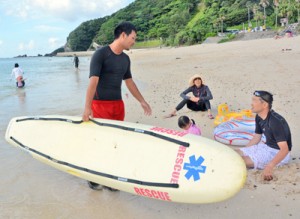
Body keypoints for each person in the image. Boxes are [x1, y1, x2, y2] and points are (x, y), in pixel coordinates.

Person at [82, 21, 152, 191]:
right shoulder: (101, 54)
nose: (134, 41)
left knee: (116, 141)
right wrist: (87, 107)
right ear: (123, 35)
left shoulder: (125, 59)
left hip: (117, 105)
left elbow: (129, 82)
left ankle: (111, 178)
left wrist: (142, 100)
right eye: (133, 38)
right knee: (101, 141)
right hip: (100, 104)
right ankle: (95, 177)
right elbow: (93, 82)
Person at [236, 91, 292, 181]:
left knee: (240, 161)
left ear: (265, 105)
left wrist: (270, 166)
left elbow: (284, 149)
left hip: (277, 153)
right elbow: (257, 137)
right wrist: (245, 150)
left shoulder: (275, 122)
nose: (251, 103)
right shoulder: (259, 116)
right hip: (265, 146)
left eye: (254, 100)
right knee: (235, 153)